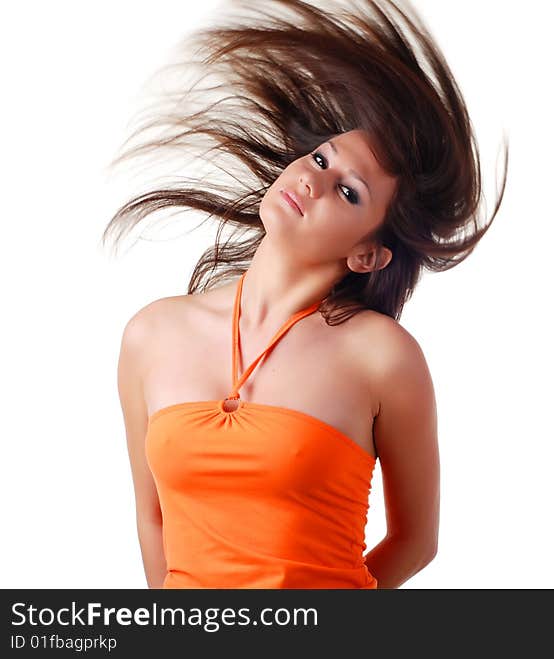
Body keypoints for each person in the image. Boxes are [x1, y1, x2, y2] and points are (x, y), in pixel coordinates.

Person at [104, 0, 509, 589]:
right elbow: (152, 517)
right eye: (321, 158)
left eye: (347, 193)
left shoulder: (382, 357)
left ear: (367, 254)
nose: (312, 179)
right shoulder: (152, 334)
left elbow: (416, 542)